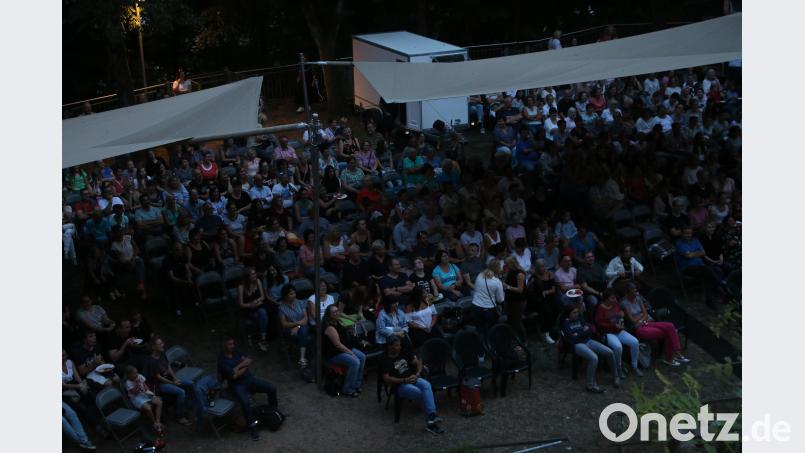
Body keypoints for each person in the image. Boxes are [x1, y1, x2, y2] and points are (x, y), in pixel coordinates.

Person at [217, 337, 279, 441]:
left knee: (272, 388)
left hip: (249, 379)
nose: (232, 346)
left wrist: (238, 367)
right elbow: (233, 376)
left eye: (232, 344)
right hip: (237, 385)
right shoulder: (222, 360)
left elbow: (249, 359)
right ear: (224, 346)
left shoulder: (236, 351)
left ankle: (274, 411)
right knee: (245, 403)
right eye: (229, 344)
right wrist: (243, 366)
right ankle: (252, 426)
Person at [381, 336, 445, 434]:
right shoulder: (385, 359)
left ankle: (432, 416)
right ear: (390, 347)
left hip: (413, 378)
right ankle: (431, 421)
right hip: (400, 385)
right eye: (396, 345)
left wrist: (417, 374)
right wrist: (404, 380)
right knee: (420, 393)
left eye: (399, 345)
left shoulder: (403, 352)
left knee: (426, 385)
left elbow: (418, 362)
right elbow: (386, 378)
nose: (399, 347)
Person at [621, 283, 689, 366]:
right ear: (628, 293)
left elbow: (645, 314)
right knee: (671, 332)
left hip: (649, 322)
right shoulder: (624, 303)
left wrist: (640, 318)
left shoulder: (638, 299)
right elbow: (632, 320)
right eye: (634, 291)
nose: (636, 293)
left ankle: (677, 352)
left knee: (670, 326)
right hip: (639, 328)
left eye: (636, 291)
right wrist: (642, 318)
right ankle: (671, 358)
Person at [560, 305, 617, 393]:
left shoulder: (580, 319)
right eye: (574, 313)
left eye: (577, 312)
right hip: (577, 345)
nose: (576, 314)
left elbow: (590, 331)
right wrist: (583, 332)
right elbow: (571, 338)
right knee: (594, 358)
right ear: (569, 314)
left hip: (588, 341)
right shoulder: (566, 323)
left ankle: (615, 376)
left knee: (610, 352)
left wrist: (578, 334)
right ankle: (590, 385)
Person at [144, 336, 194, 426]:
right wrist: (173, 383)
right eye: (159, 344)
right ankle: (180, 416)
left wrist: (175, 378)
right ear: (153, 347)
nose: (162, 345)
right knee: (181, 392)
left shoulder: (162, 353)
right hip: (159, 384)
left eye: (162, 343)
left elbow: (168, 366)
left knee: (190, 384)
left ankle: (187, 406)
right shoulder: (151, 361)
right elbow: (158, 377)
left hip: (170, 379)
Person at [675, 226, 725, 309]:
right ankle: (721, 287)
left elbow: (703, 253)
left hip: (700, 266)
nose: (688, 235)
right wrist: (697, 253)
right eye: (686, 233)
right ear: (682, 234)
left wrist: (693, 253)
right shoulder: (679, 243)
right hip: (687, 268)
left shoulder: (696, 240)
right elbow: (689, 256)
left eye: (690, 233)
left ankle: (710, 300)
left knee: (709, 273)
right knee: (707, 270)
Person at [321, 304, 366, 397]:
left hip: (345, 348)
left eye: (337, 310)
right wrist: (350, 352)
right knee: (355, 362)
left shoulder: (338, 321)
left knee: (362, 356)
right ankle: (348, 389)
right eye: (334, 312)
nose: (337, 313)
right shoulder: (330, 327)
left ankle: (357, 384)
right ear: (329, 315)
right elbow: (338, 345)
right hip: (334, 353)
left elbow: (349, 326)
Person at [594, 289, 641, 377]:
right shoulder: (600, 308)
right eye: (612, 298)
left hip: (619, 330)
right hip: (608, 332)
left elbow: (620, 314)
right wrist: (613, 326)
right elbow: (600, 323)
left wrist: (622, 314)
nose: (614, 299)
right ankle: (618, 368)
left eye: (614, 297)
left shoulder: (616, 304)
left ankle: (634, 366)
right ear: (606, 299)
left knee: (635, 342)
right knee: (618, 347)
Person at [277, 284, 311, 367]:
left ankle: (302, 358)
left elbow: (306, 319)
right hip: (290, 329)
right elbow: (284, 324)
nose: (294, 295)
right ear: (285, 295)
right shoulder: (282, 307)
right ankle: (304, 356)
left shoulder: (300, 302)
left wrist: (297, 326)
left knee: (303, 331)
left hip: (302, 327)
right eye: (291, 294)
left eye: (294, 293)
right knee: (306, 337)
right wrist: (298, 324)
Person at [124, 365, 164, 433]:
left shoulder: (139, 376)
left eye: (136, 372)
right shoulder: (128, 383)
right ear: (129, 375)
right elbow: (135, 393)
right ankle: (154, 423)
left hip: (144, 393)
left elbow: (145, 386)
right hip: (136, 398)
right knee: (148, 408)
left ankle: (158, 422)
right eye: (134, 373)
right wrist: (137, 384)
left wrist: (149, 393)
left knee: (159, 402)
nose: (136, 374)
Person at [238, 267, 270, 351]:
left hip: (258, 306)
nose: (255, 275)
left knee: (262, 313)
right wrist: (250, 305)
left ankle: (263, 339)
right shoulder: (241, 287)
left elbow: (262, 296)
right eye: (252, 274)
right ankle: (262, 338)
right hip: (248, 309)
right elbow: (241, 304)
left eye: (255, 273)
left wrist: (256, 302)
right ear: (247, 276)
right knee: (262, 315)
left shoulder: (258, 281)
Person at [471, 260, 504, 337]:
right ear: (497, 269)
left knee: (480, 331)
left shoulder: (479, 275)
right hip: (488, 309)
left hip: (475, 307)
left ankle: (481, 346)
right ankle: (492, 346)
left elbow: (476, 288)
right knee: (492, 331)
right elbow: (500, 299)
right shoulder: (497, 282)